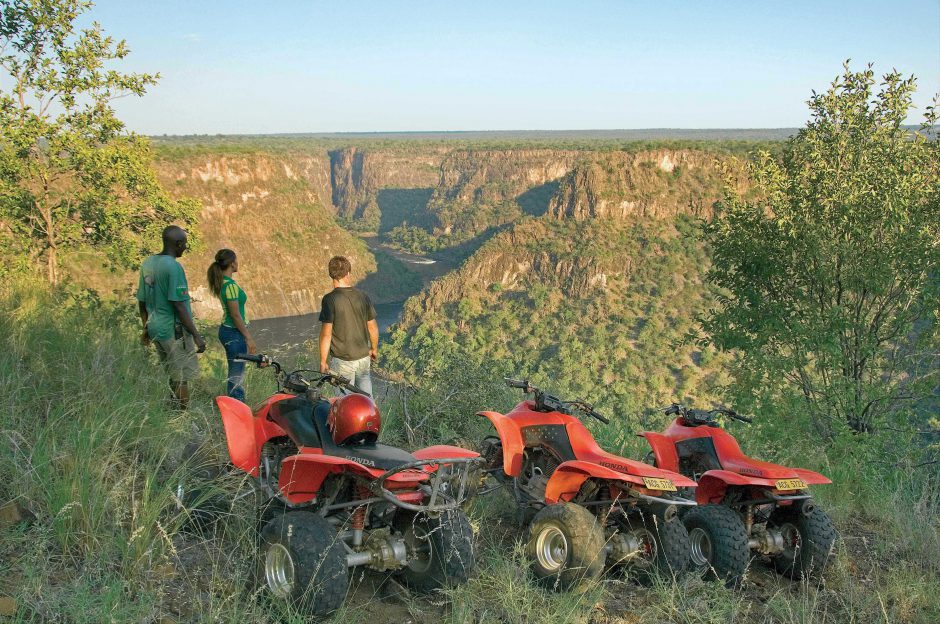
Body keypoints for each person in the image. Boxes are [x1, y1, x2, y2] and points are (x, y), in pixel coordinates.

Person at [137, 225, 206, 410]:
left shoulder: (148, 263)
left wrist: (146, 328)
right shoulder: (174, 268)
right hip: (173, 331)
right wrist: (196, 335)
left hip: (156, 328)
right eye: (184, 244)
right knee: (181, 377)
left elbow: (142, 301)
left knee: (172, 372)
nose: (185, 247)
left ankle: (173, 409)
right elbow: (178, 305)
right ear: (177, 243)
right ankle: (182, 416)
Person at [318, 256, 378, 396]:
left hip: (342, 360)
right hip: (363, 358)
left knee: (344, 403)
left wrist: (323, 361)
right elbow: (373, 328)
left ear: (330, 274)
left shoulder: (329, 300)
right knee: (366, 399)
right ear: (348, 273)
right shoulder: (363, 296)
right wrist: (374, 349)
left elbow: (326, 334)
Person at [207, 249, 257, 402]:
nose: (237, 263)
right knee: (237, 372)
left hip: (227, 331)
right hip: (234, 333)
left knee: (235, 369)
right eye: (236, 260)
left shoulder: (222, 283)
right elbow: (235, 315)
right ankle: (237, 406)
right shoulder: (230, 286)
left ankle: (234, 404)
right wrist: (248, 338)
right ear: (232, 263)